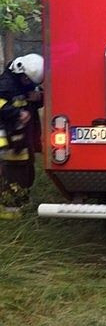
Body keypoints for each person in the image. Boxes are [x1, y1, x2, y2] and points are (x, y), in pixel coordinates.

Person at [0, 53, 44, 219]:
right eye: (27, 80)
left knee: (25, 169)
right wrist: (17, 114)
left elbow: (36, 97)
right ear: (20, 72)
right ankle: (8, 208)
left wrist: (38, 97)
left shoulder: (24, 83)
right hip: (8, 136)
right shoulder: (5, 84)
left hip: (22, 137)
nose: (29, 84)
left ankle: (21, 201)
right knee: (11, 170)